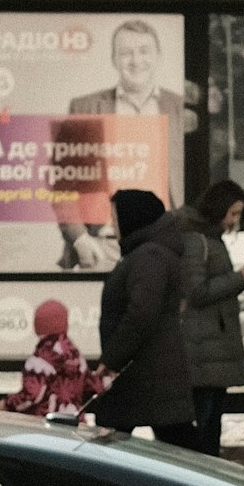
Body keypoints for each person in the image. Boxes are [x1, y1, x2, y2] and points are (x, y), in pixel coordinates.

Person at [60, 19, 187, 272]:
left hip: (166, 245)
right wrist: (81, 239)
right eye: (126, 52)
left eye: (143, 51)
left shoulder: (181, 109)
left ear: (158, 56)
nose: (135, 60)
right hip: (102, 248)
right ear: (113, 59)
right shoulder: (84, 108)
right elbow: (61, 182)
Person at [93, 188, 196, 446]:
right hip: (150, 371)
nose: (112, 225)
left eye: (116, 219)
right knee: (178, 443)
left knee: (111, 443)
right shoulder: (150, 253)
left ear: (132, 219)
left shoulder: (148, 256)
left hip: (145, 373)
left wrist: (113, 358)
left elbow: (142, 313)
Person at [176, 179, 244, 456]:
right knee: (206, 420)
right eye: (233, 213)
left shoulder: (207, 238)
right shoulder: (197, 240)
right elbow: (197, 291)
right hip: (203, 344)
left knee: (211, 417)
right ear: (219, 208)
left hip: (211, 343)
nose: (234, 221)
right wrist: (239, 279)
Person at [0, 299, 106, 418]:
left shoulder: (43, 356)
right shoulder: (75, 354)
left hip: (46, 424)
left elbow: (33, 393)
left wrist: (6, 404)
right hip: (73, 421)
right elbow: (91, 385)